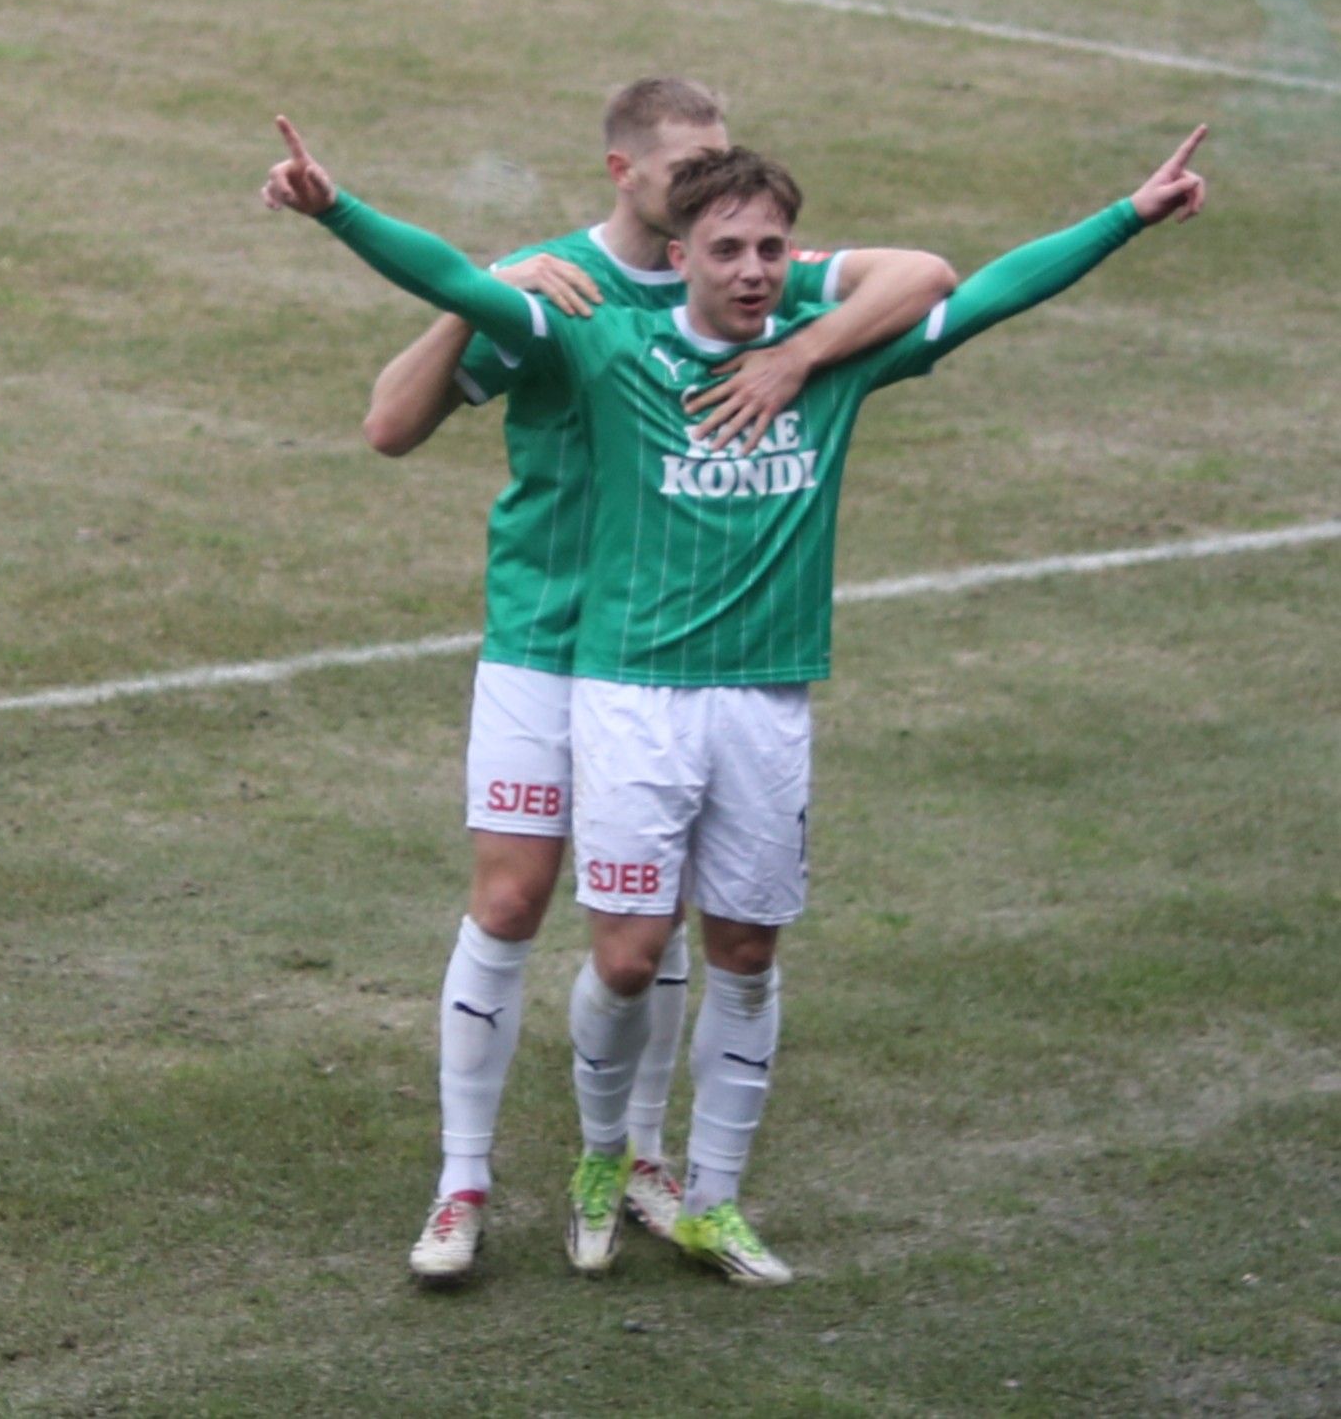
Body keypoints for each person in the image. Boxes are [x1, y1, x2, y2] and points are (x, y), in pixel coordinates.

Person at [270, 116, 1207, 1285]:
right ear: (683, 254)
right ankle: (601, 1156)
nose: (754, 271)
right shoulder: (611, 347)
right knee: (624, 955)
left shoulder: (835, 354)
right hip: (629, 699)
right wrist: (334, 208)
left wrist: (1126, 214)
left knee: (749, 947)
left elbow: (987, 291)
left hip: (765, 698)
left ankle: (710, 1195)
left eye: (772, 250)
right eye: (728, 251)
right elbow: (451, 290)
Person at [290, 82, 956, 1283]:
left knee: (658, 917)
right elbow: (390, 426)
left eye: (725, 167)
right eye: (687, 167)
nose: (712, 188)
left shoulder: (756, 271)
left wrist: (803, 351)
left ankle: (643, 1158)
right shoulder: (565, 287)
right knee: (509, 904)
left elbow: (932, 282)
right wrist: (476, 296)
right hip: (547, 641)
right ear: (623, 171)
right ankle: (461, 1180)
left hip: (682, 658)